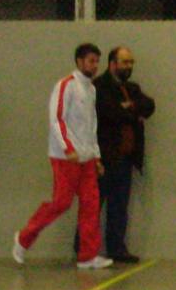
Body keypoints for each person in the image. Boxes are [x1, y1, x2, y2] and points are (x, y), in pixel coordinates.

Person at [13, 43, 112, 270]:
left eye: (97, 61)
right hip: (64, 157)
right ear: (79, 61)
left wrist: (96, 157)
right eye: (90, 61)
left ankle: (87, 256)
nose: (94, 65)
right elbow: (57, 118)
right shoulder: (65, 85)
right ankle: (23, 239)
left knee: (90, 204)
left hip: (86, 158)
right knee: (61, 202)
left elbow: (91, 125)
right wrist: (67, 148)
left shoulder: (92, 89)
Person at [91, 46, 156, 263]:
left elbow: (149, 106)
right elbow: (109, 113)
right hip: (103, 157)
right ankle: (84, 248)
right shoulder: (98, 87)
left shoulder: (132, 88)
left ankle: (116, 248)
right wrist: (129, 112)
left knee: (119, 206)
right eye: (125, 62)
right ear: (113, 64)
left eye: (131, 62)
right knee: (93, 205)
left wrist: (130, 107)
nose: (129, 67)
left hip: (125, 158)